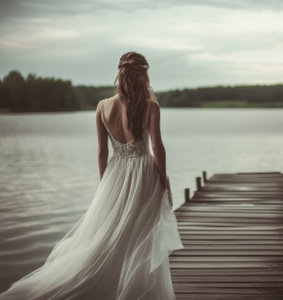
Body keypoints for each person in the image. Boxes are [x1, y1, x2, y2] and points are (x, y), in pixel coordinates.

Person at [0, 51, 184, 299]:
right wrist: (165, 183)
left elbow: (101, 152)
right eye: (146, 74)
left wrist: (105, 186)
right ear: (141, 75)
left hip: (114, 174)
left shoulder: (102, 106)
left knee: (114, 235)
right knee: (140, 236)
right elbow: (157, 147)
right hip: (143, 174)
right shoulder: (150, 105)